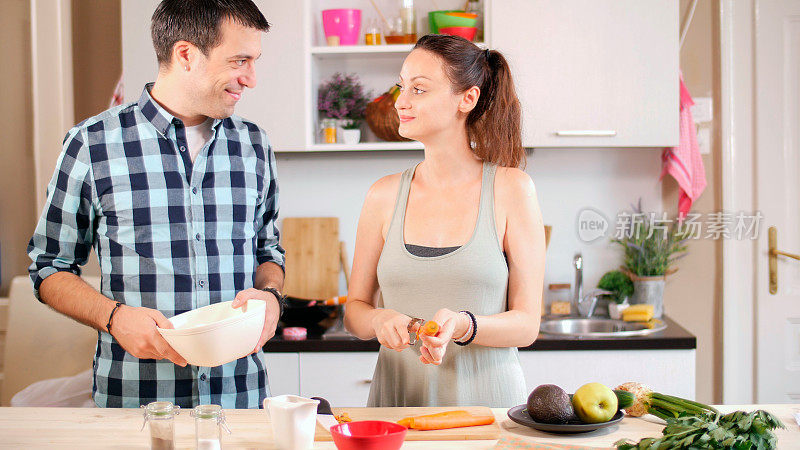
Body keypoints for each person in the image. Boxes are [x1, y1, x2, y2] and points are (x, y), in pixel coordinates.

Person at [27, 0, 285, 409]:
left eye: (253, 61)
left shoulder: (254, 144)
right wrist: (114, 318)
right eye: (239, 60)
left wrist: (270, 293)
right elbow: (49, 268)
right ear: (186, 54)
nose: (250, 78)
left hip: (241, 400)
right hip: (137, 402)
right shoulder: (92, 144)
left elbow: (268, 252)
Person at [344, 34, 546, 407]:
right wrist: (378, 320)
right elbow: (355, 309)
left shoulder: (512, 189)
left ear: (467, 99)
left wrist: (465, 325)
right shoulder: (383, 195)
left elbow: (527, 324)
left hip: (488, 407)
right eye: (401, 87)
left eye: (419, 89)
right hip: (399, 404)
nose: (401, 102)